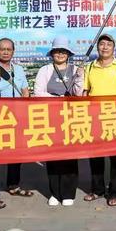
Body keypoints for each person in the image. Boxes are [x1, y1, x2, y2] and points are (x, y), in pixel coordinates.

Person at [0, 37, 32, 209]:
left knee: (16, 155)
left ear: (13, 51)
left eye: (9, 49)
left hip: (17, 119)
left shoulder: (19, 70)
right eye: (2, 49)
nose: (6, 52)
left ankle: (13, 185)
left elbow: (25, 92)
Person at [83, 33, 116, 207]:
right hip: (94, 117)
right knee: (95, 156)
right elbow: (85, 92)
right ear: (98, 47)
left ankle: (115, 192)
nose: (104, 47)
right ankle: (97, 189)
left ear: (114, 48)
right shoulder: (89, 67)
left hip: (115, 117)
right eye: (102, 44)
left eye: (108, 44)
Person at [34, 36, 83, 206]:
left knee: (70, 156)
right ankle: (55, 192)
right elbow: (38, 93)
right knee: (53, 156)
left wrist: (79, 78)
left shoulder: (76, 69)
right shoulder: (45, 70)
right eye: (57, 51)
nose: (60, 54)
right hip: (51, 118)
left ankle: (69, 192)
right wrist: (59, 99)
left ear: (68, 53)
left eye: (63, 51)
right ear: (52, 53)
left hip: (71, 119)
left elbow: (79, 94)